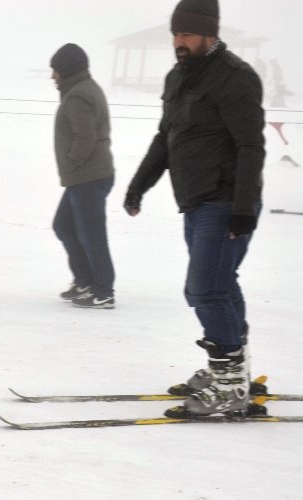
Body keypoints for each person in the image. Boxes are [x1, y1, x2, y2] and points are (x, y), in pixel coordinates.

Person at [124, 0, 265, 417]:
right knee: (221, 284)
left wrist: (242, 208)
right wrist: (139, 184)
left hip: (226, 200)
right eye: (175, 34)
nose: (179, 42)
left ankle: (229, 384)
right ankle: (232, 372)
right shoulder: (179, 77)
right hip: (195, 200)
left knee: (204, 289)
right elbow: (166, 137)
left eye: (187, 34)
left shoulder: (235, 78)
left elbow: (250, 145)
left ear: (210, 34)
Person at [49, 43, 116, 309]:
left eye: (55, 70)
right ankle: (85, 280)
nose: (52, 76)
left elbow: (85, 136)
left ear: (66, 70)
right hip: (86, 175)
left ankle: (103, 290)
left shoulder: (78, 95)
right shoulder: (83, 89)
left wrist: (71, 162)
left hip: (88, 176)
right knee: (64, 226)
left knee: (92, 234)